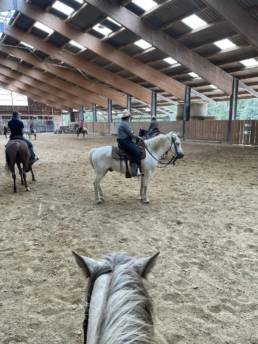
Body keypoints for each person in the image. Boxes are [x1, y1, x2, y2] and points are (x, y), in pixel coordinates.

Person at [117, 111, 141, 177]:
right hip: (124, 141)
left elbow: (130, 132)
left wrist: (134, 134)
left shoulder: (123, 123)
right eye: (129, 117)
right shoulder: (124, 124)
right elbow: (131, 134)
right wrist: (138, 137)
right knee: (136, 152)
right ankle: (133, 170)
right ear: (127, 118)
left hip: (124, 140)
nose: (130, 118)